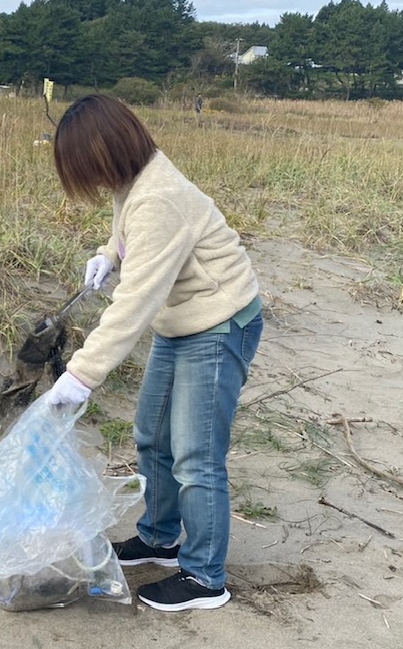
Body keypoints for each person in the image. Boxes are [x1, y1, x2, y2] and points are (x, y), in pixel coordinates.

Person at [45, 94, 263, 613]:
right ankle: (161, 537)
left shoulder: (159, 197)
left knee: (196, 455)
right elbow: (128, 235)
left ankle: (206, 576)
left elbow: (134, 306)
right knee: (150, 432)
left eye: (87, 169)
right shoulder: (136, 181)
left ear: (109, 153)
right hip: (182, 321)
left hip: (218, 323)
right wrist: (107, 254)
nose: (92, 183)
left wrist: (80, 375)